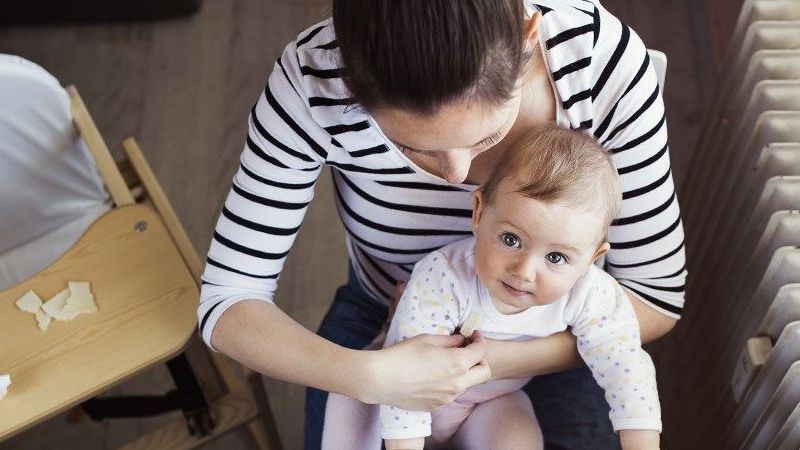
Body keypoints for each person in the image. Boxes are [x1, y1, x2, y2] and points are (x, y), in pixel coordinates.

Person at [198, 1, 686, 449]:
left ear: (527, 40)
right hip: (382, 324)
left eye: (486, 136)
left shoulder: (602, 65)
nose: (457, 177)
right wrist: (371, 374)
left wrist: (487, 360)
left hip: (556, 332)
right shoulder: (312, 81)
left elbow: (654, 298)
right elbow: (228, 300)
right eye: (412, 147)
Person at [376, 125, 660, 450]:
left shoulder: (591, 294)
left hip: (488, 403)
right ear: (479, 213)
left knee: (517, 438)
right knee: (350, 411)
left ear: (592, 259)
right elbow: (405, 376)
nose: (524, 272)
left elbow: (626, 369)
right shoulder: (445, 276)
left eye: (556, 257)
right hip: (393, 401)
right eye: (511, 240)